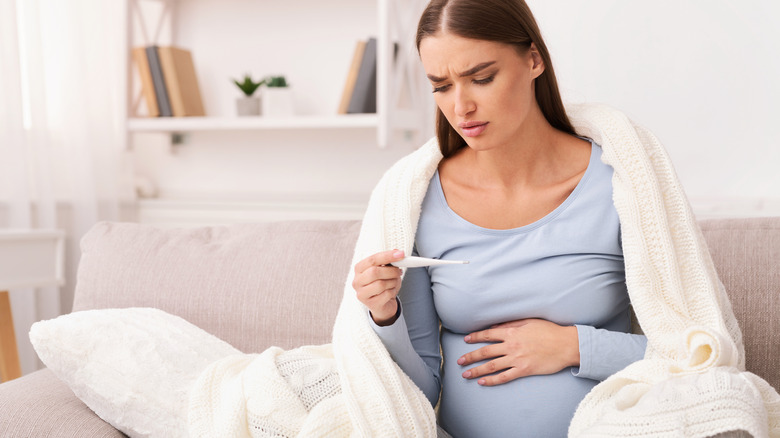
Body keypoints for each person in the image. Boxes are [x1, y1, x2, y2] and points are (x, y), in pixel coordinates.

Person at [352, 0, 647, 436]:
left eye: (482, 78)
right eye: (441, 86)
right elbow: (415, 394)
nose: (461, 106)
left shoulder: (623, 181)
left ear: (533, 59)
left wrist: (575, 346)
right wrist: (384, 316)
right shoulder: (414, 200)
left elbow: (696, 351)